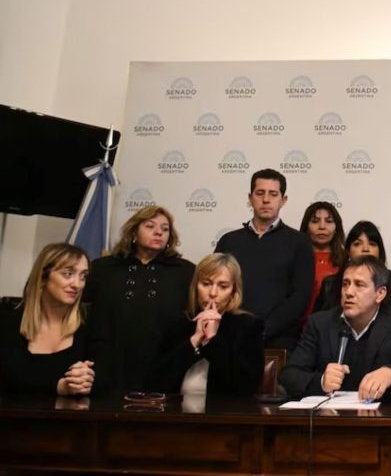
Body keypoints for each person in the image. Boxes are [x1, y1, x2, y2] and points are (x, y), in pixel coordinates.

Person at [279, 255, 391, 400]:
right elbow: (289, 375)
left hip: (381, 418)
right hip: (331, 418)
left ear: (380, 294)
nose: (349, 292)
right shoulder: (320, 323)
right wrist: (321, 380)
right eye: (345, 284)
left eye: (359, 284)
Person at [84, 205, 195, 392]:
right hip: (108, 366)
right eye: (150, 226)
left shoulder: (186, 271)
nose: (159, 232)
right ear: (134, 231)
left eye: (165, 229)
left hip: (162, 367)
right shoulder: (103, 268)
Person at [215, 168, 314, 350]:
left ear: (283, 200)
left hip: (278, 342)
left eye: (273, 194)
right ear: (250, 198)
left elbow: (300, 296)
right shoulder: (229, 241)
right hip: (229, 338)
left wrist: (263, 329)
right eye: (259, 193)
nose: (266, 200)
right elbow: (215, 289)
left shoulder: (299, 242)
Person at [148, 253, 264, 396]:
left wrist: (212, 340)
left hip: (222, 415)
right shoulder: (178, 324)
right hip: (176, 414)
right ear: (195, 286)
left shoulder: (248, 326)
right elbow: (153, 385)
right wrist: (194, 340)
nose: (213, 293)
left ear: (233, 292)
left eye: (223, 286)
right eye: (206, 284)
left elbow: (245, 388)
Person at [0, 243, 95, 396]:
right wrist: (60, 386)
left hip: (73, 417)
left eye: (83, 276)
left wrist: (85, 378)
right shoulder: (8, 319)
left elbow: (106, 378)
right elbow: (10, 378)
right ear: (43, 277)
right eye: (68, 274)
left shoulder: (90, 323)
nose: (77, 284)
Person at [314, 221, 391, 316]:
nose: (365, 249)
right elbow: (319, 324)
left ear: (380, 251)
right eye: (357, 244)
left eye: (372, 244)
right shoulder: (330, 284)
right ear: (348, 251)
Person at [299, 201, 346, 322]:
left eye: (329, 221)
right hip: (297, 329)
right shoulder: (295, 258)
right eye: (315, 221)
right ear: (306, 227)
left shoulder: (346, 261)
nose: (322, 227)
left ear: (337, 228)